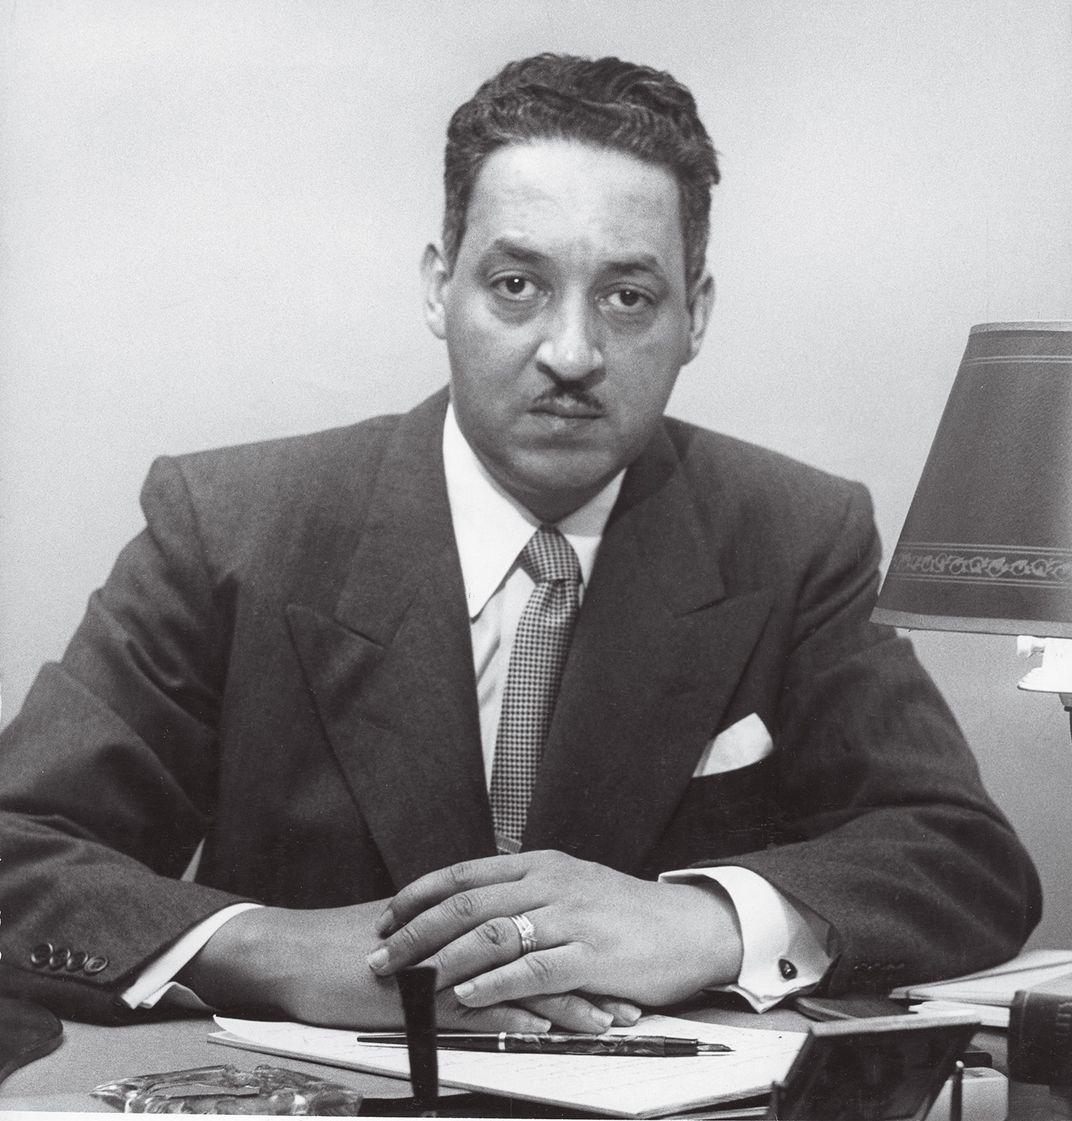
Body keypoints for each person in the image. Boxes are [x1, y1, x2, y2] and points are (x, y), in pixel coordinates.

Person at [0, 53, 1040, 1032]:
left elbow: (961, 857)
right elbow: (20, 853)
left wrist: (706, 921)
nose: (572, 351)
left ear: (696, 316)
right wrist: (271, 948)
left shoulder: (794, 534)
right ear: (435, 286)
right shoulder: (232, 523)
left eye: (629, 297)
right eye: (517, 285)